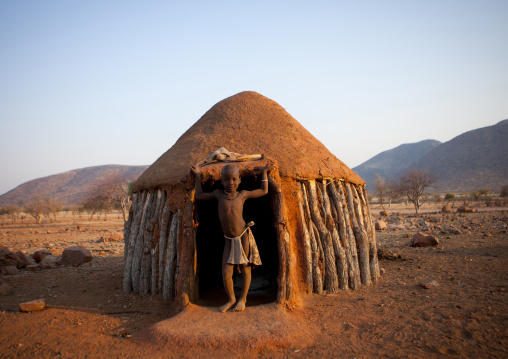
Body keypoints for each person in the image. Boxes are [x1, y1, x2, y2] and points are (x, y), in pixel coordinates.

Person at [191, 163, 275, 312]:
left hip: (243, 235)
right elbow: (199, 195)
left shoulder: (242, 195)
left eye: (234, 179)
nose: (231, 183)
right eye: (227, 179)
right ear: (221, 181)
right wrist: (197, 175)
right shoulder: (218, 194)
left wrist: (263, 172)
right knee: (226, 272)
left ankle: (243, 299)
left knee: (246, 268)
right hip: (228, 239)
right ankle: (231, 299)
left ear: (239, 180)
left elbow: (263, 190)